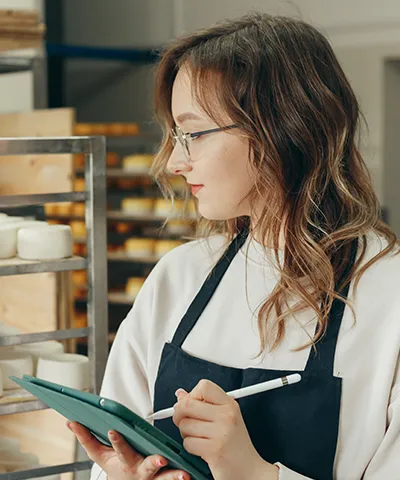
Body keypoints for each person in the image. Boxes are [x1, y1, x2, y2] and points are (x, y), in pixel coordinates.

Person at [70, 12, 400, 480]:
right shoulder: (178, 277)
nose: (175, 163)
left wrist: (254, 473)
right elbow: (115, 450)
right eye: (176, 136)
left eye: (194, 133)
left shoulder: (390, 295)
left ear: (283, 127)